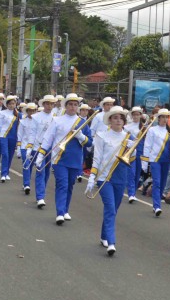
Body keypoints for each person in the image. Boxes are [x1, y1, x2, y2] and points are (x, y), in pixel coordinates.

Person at [36, 95, 92, 226]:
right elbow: (48, 138)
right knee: (62, 184)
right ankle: (60, 212)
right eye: (70, 104)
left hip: (75, 159)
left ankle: (65, 209)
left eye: (75, 104)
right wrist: (41, 155)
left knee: (70, 185)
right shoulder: (57, 120)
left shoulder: (82, 122)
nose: (73, 107)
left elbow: (90, 143)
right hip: (59, 158)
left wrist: (81, 136)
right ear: (65, 106)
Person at [86, 105, 131, 256]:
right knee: (110, 208)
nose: (118, 120)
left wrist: (133, 150)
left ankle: (104, 235)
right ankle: (111, 242)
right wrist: (92, 177)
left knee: (114, 209)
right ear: (110, 120)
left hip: (120, 177)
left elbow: (131, 159)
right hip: (104, 178)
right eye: (115, 118)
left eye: (121, 118)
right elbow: (97, 157)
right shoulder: (101, 136)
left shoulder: (128, 137)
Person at [141, 108, 170, 217]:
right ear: (159, 118)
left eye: (167, 117)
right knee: (156, 182)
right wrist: (145, 160)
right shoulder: (152, 130)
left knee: (162, 182)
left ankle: (156, 203)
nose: (165, 119)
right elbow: (147, 145)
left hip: (166, 160)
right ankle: (157, 206)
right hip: (155, 160)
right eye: (163, 117)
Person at [30, 96, 57, 208]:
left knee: (46, 172)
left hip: (50, 148)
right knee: (40, 171)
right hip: (38, 147)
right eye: (47, 103)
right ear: (43, 104)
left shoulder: (56, 118)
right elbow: (32, 133)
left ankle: (42, 193)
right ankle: (40, 197)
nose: (49, 106)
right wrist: (29, 147)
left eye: (51, 104)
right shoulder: (36, 117)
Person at [0, 95, 19, 182]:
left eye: (13, 103)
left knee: (11, 155)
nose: (12, 105)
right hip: (3, 136)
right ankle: (3, 174)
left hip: (13, 137)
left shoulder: (18, 114)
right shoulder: (2, 113)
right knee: (5, 154)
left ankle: (7, 172)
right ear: (7, 105)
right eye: (10, 104)